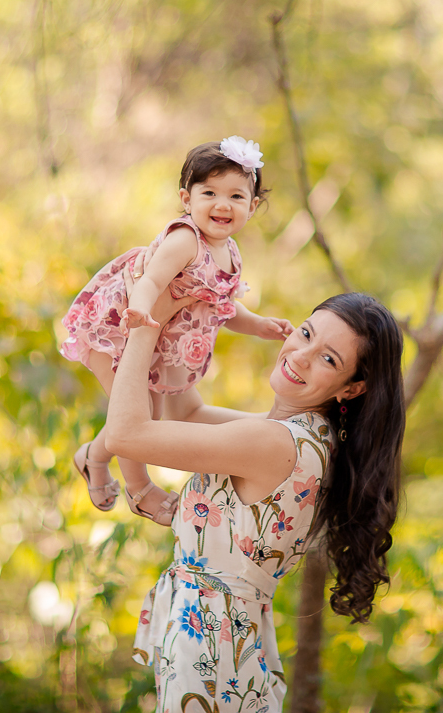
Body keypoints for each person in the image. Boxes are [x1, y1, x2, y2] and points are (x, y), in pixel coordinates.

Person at [103, 290, 406, 711]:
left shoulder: (274, 441)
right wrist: (187, 316)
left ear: (352, 388)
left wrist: (145, 325)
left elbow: (124, 435)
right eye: (305, 334)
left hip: (212, 649)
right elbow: (187, 415)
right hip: (224, 646)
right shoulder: (307, 436)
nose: (300, 355)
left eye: (328, 359)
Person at [59, 137, 294, 524]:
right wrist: (139, 308)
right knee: (140, 419)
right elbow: (150, 281)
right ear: (187, 199)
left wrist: (258, 325)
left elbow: (222, 304)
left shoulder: (229, 249)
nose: (222, 204)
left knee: (177, 410)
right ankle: (140, 490)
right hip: (121, 331)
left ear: (252, 207)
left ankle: (92, 457)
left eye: (236, 196)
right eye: (209, 193)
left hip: (161, 345)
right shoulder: (185, 240)